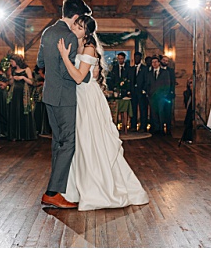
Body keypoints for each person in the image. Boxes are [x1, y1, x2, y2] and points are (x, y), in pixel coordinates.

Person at [56, 14, 149, 211]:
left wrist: (65, 57)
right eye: (75, 26)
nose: (75, 29)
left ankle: (98, 187)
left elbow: (80, 77)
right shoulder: (76, 44)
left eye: (80, 28)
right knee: (80, 141)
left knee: (91, 141)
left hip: (87, 97)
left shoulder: (89, 47)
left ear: (87, 32)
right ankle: (76, 187)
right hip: (78, 97)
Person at [37, 0, 92, 209]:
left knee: (57, 142)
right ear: (77, 16)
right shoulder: (68, 36)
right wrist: (85, 76)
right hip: (65, 97)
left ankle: (60, 186)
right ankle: (52, 192)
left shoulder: (47, 32)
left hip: (49, 95)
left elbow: (41, 63)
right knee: (69, 142)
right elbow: (66, 72)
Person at [8, 56, 36, 141]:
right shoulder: (12, 70)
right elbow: (10, 83)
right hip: (14, 94)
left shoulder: (26, 69)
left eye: (12, 61)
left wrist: (23, 78)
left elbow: (32, 82)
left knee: (23, 112)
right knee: (14, 112)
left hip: (23, 94)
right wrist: (12, 78)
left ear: (17, 61)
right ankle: (14, 135)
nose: (11, 63)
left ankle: (24, 135)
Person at [147, 56, 173, 135]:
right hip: (152, 96)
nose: (154, 64)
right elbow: (148, 84)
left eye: (155, 62)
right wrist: (149, 92)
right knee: (154, 112)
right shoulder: (149, 73)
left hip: (161, 96)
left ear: (159, 63)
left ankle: (162, 129)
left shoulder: (165, 72)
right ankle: (156, 128)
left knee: (161, 112)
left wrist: (164, 94)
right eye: (152, 62)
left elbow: (167, 83)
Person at [131, 52, 151, 133]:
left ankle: (143, 126)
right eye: (135, 57)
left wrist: (144, 89)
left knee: (143, 110)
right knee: (133, 109)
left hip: (141, 92)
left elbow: (147, 80)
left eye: (138, 58)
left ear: (140, 58)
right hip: (133, 92)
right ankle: (133, 126)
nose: (136, 59)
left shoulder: (145, 69)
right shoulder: (131, 69)